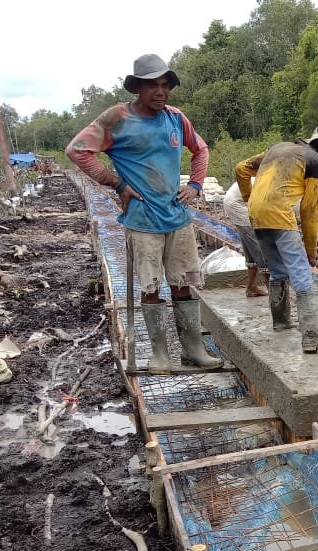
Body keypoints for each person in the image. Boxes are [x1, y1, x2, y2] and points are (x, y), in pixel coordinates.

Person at [66, 53, 221, 372]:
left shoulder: (176, 118)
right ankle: (160, 354)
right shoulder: (117, 119)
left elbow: (200, 149)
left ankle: (193, 349)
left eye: (166, 85)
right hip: (142, 220)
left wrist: (194, 184)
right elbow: (78, 150)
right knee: (151, 288)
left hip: (178, 218)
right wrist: (116, 183)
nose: (161, 91)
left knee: (183, 284)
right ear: (138, 87)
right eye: (153, 85)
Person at [235, 127, 318, 353]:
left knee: (278, 272)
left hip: (256, 214)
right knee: (303, 276)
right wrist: (310, 250)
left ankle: (282, 323)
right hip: (279, 215)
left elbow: (241, 169)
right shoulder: (317, 163)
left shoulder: (278, 149)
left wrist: (249, 198)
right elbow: (311, 209)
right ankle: (313, 337)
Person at [222, 180, 269, 297]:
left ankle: (251, 287)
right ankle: (275, 294)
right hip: (238, 206)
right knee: (262, 249)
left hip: (236, 203)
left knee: (251, 248)